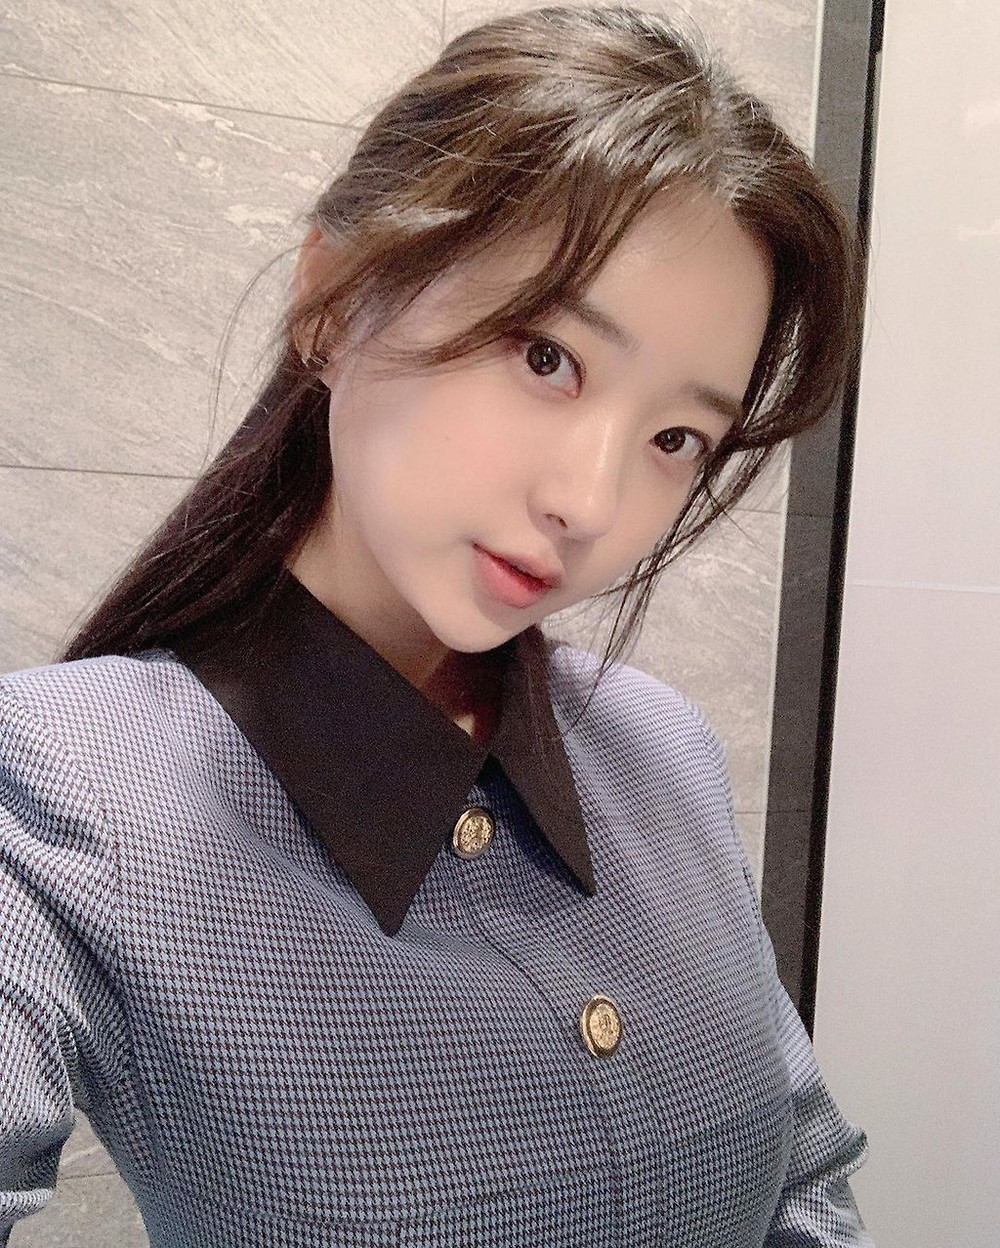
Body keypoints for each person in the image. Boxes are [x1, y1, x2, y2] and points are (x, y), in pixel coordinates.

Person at [0, 6, 873, 1245]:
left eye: (676, 437)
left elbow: (802, 1183)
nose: (589, 503)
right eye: (546, 357)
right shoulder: (57, 793)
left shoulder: (660, 749)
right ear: (331, 297)